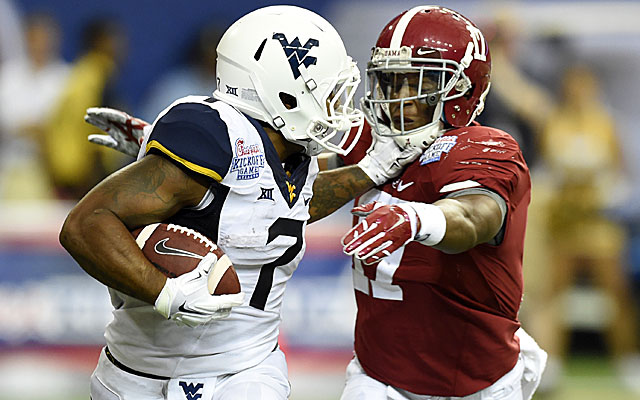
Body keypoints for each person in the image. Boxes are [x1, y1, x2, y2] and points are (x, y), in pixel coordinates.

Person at [60, 6, 419, 400]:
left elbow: (288, 209)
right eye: (327, 92)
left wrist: (372, 169)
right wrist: (166, 291)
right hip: (138, 375)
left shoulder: (291, 153)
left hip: (247, 370)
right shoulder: (211, 136)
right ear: (286, 90)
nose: (339, 107)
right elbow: (84, 224)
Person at [339, 6, 546, 399]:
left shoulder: (483, 146)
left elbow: (472, 216)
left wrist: (416, 218)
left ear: (460, 90)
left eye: (418, 84)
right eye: (391, 81)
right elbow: (294, 196)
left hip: (475, 383)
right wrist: (369, 168)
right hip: (377, 376)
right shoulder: (369, 141)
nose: (401, 99)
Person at [44, 17, 128, 200]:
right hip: (83, 174)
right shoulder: (95, 76)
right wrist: (93, 172)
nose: (119, 45)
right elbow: (91, 121)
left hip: (70, 168)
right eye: (113, 39)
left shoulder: (82, 73)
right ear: (98, 42)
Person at [0, 12, 70, 199]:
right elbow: (6, 120)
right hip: (9, 165)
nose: (39, 44)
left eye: (44, 38)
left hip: (49, 169)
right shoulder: (9, 75)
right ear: (26, 39)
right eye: (34, 38)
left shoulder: (65, 78)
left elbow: (61, 125)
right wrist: (33, 128)